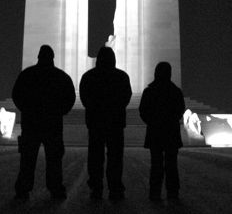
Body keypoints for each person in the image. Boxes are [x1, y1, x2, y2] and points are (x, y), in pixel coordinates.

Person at [12, 45, 76, 200]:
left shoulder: (27, 75)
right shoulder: (61, 76)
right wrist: (61, 111)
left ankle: (23, 189)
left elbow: (16, 95)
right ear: (52, 57)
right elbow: (70, 97)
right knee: (54, 159)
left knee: (28, 159)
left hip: (31, 123)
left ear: (39, 56)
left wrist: (26, 110)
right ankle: (55, 189)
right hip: (52, 124)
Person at [79, 46, 132, 200]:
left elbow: (84, 97)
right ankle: (115, 188)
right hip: (115, 122)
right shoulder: (121, 77)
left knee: (95, 156)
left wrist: (95, 108)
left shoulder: (89, 77)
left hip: (96, 122)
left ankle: (96, 187)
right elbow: (126, 97)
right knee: (115, 156)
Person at [138, 61, 186, 201]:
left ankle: (155, 193)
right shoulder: (175, 91)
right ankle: (172, 193)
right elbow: (180, 110)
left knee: (156, 164)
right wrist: (170, 121)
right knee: (171, 164)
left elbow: (143, 110)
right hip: (170, 132)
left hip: (156, 132)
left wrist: (152, 122)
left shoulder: (150, 91)